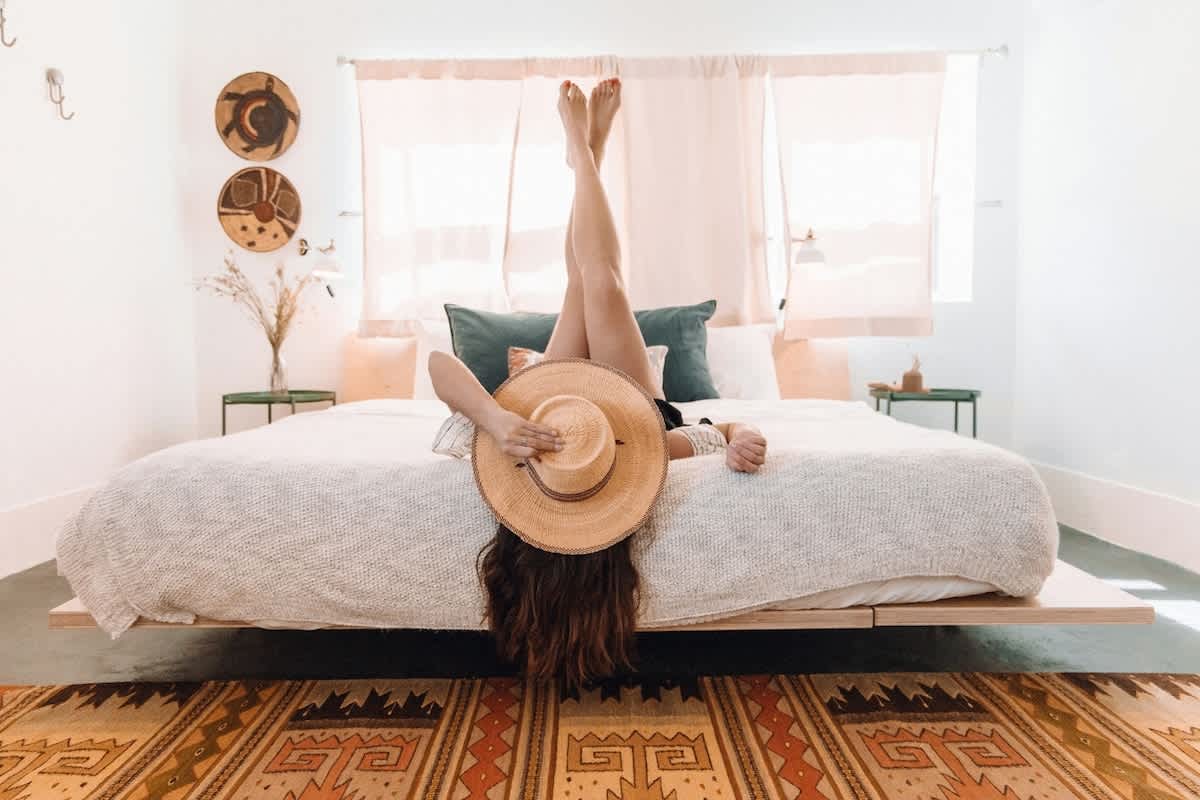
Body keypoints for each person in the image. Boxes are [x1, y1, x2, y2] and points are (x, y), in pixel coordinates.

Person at [428, 79, 769, 687]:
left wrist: (497, 419)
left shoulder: (500, 463)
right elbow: (721, 431)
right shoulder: (653, 453)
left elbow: (438, 365)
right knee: (602, 281)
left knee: (580, 284)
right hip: (631, 413)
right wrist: (744, 438)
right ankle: (586, 155)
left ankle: (586, 153)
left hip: (547, 401)